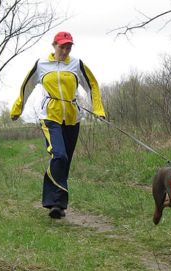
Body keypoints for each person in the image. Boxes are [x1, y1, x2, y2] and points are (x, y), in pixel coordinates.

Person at [10, 31, 106, 219]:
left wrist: (98, 109)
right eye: (62, 46)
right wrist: (17, 109)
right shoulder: (41, 65)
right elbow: (25, 86)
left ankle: (59, 206)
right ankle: (53, 202)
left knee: (65, 161)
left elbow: (92, 85)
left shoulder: (76, 64)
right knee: (59, 155)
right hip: (50, 116)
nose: (65, 50)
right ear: (54, 45)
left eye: (69, 46)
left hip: (72, 117)